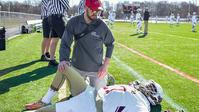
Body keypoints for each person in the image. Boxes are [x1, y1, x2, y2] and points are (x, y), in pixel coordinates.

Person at [24, 67, 164, 112]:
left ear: (153, 96)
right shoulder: (135, 91)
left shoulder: (142, 106)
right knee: (64, 67)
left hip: (90, 106)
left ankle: (48, 106)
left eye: (150, 87)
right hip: (90, 93)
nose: (145, 86)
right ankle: (45, 101)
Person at [58, 0, 115, 90]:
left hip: (96, 69)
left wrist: (105, 66)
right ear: (86, 8)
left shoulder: (102, 25)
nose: (95, 13)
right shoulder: (73, 22)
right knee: (76, 96)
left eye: (98, 10)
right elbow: (65, 43)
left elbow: (110, 44)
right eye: (93, 10)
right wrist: (63, 60)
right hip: (77, 67)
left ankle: (107, 77)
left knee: (99, 96)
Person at [47, 0, 70, 66]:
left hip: (51, 17)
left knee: (54, 39)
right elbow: (66, 5)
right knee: (66, 39)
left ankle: (51, 60)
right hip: (58, 17)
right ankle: (64, 60)